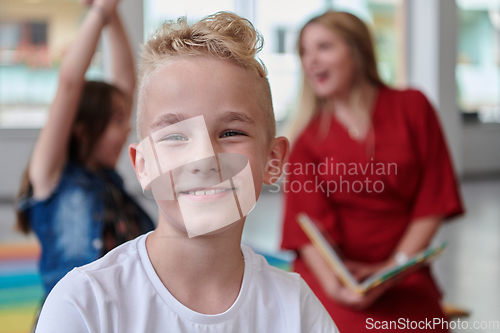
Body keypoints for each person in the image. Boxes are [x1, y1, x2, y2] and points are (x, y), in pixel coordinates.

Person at [33, 12, 339, 333]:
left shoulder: (296, 308)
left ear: (273, 160)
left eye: (231, 133)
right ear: (144, 165)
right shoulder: (84, 303)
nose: (204, 158)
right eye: (176, 136)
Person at [281, 11, 464, 333]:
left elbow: (432, 200)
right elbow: (305, 229)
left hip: (403, 271)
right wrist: (340, 288)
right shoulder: (306, 138)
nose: (311, 61)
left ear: (358, 49)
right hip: (331, 277)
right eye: (304, 52)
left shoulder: (413, 107)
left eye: (323, 47)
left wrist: (394, 268)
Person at [15, 0, 154, 295]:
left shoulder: (107, 179)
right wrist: (99, 12)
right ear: (83, 130)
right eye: (118, 121)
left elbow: (125, 82)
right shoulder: (51, 177)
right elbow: (69, 83)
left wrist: (113, 14)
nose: (128, 126)